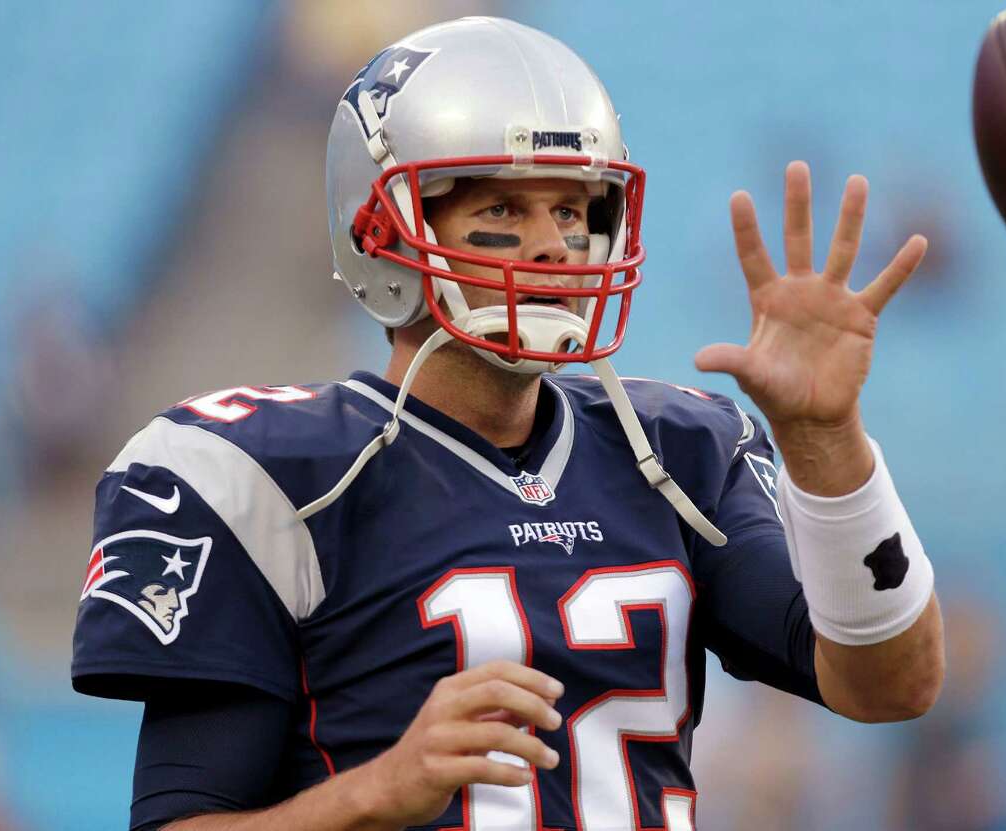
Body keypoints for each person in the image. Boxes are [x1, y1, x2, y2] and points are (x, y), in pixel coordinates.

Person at [71, 16, 944, 831]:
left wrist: (827, 437)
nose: (554, 247)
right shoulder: (272, 477)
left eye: (571, 211)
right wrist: (378, 790)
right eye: (501, 212)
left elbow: (893, 683)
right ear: (383, 231)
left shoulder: (675, 449)